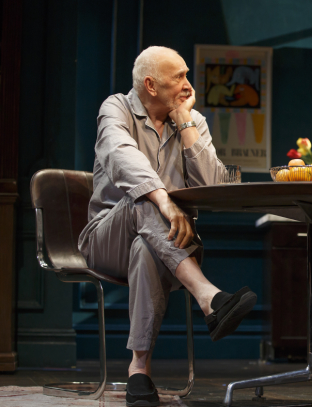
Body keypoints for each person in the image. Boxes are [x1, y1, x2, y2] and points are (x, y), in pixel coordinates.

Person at [78, 46, 257, 407]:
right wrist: (164, 200)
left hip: (167, 244)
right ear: (151, 85)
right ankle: (208, 296)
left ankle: (138, 370)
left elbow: (211, 186)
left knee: (147, 247)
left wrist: (186, 123)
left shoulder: (191, 121)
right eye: (179, 77)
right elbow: (120, 155)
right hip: (105, 240)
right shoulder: (116, 108)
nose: (188, 85)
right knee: (141, 197)